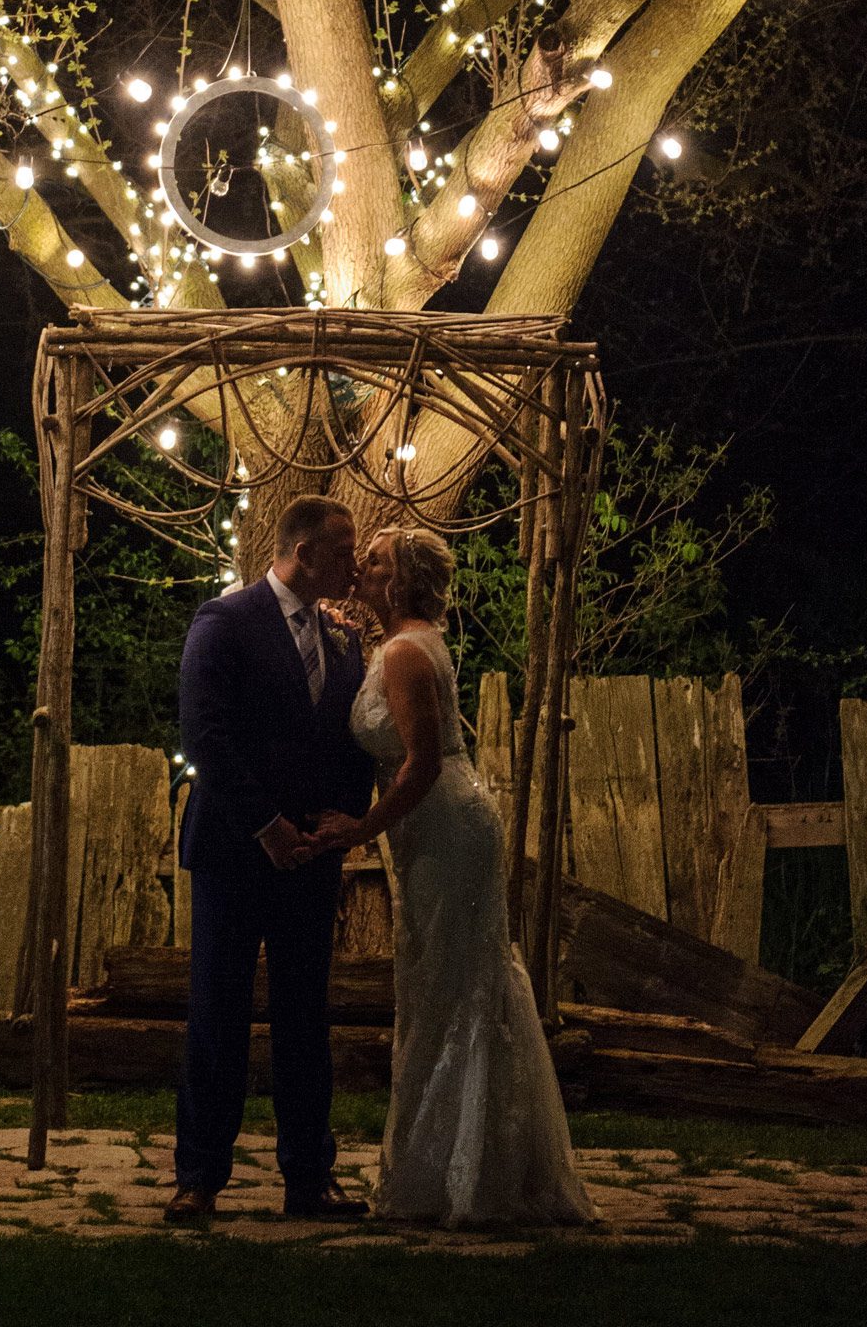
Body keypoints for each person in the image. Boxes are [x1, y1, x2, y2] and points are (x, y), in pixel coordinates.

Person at [307, 525, 593, 1228]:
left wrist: (357, 831)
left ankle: (458, 1174)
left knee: (450, 988)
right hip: (433, 829)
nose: (359, 567)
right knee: (452, 982)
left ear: (398, 581)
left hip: (444, 829)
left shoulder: (406, 652)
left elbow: (421, 764)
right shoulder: (403, 642)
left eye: (372, 562)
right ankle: (471, 1162)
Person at [166, 495, 376, 1224]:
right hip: (232, 851)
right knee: (217, 1012)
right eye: (344, 550)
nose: (354, 563)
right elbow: (205, 734)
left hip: (311, 858)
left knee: (302, 1018)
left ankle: (308, 1177)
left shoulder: (343, 639)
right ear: (303, 551)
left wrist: (338, 824)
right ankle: (198, 1177)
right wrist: (267, 825)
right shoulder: (223, 621)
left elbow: (346, 742)